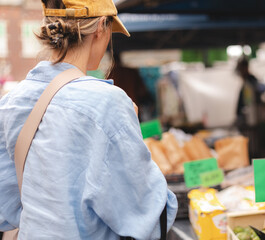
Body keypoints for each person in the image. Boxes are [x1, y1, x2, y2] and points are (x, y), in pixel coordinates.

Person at [0, 0, 177, 239]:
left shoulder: (10, 103)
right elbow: (150, 217)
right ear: (101, 26)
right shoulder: (108, 103)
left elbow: (6, 211)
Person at [235, 58, 265, 128]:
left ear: (246, 68)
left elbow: (250, 102)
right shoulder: (246, 83)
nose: (240, 72)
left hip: (252, 120)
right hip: (248, 119)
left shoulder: (251, 82)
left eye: (241, 69)